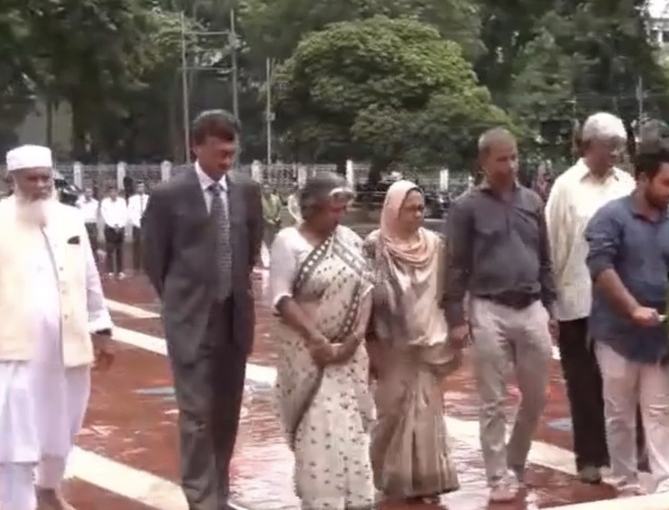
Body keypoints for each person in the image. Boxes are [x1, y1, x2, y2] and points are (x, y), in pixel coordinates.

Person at [0, 144, 115, 510]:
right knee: (14, 438)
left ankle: (47, 487)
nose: (42, 185)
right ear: (13, 180)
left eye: (46, 177)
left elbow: (89, 276)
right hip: (13, 350)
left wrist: (101, 328)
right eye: (32, 179)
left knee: (64, 428)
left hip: (66, 345)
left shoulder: (70, 219)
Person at [141, 110, 264, 510]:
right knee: (196, 414)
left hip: (234, 317)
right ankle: (201, 498)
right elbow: (155, 260)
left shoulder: (246, 191)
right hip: (190, 320)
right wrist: (184, 299)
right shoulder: (168, 195)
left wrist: (230, 290)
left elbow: (248, 248)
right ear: (196, 146)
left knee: (227, 413)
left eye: (232, 153)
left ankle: (220, 491)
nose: (227, 160)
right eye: (219, 152)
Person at [441, 127, 555, 503]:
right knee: (491, 399)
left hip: (531, 306)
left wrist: (549, 306)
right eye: (502, 158)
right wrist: (456, 318)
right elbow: (455, 265)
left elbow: (545, 258)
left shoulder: (533, 202)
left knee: (537, 396)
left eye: (514, 157)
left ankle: (515, 460)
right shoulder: (466, 207)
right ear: (484, 161)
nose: (510, 165)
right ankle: (496, 476)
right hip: (488, 308)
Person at [267, 173, 377, 509]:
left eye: (343, 209)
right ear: (310, 209)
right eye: (333, 210)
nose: (339, 217)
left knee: (352, 435)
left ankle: (356, 502)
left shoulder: (348, 240)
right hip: (309, 358)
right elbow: (281, 297)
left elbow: (367, 287)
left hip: (348, 358)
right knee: (321, 435)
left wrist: (355, 337)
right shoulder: (289, 242)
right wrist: (318, 341)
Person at [585, 143, 669, 496]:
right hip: (616, 335)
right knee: (620, 415)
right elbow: (600, 268)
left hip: (659, 337)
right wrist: (631, 309)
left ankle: (668, 486)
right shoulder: (610, 217)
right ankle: (627, 483)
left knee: (660, 412)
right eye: (667, 183)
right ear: (643, 178)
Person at [544, 112, 634, 483]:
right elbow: (552, 244)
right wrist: (551, 301)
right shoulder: (566, 187)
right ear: (589, 145)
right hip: (577, 298)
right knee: (583, 383)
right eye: (608, 146)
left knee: (621, 382)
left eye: (620, 147)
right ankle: (589, 457)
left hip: (619, 301)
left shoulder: (627, 184)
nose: (614, 153)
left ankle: (623, 453)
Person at [365, 180, 459, 502]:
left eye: (421, 208)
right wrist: (370, 346)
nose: (418, 214)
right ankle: (379, 475)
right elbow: (364, 299)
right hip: (390, 346)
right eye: (411, 209)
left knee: (425, 412)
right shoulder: (375, 247)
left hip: (428, 342)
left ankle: (422, 481)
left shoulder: (436, 245)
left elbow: (448, 291)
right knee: (390, 412)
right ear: (393, 210)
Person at [99, 186, 128, 278]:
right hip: (109, 228)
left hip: (120, 228)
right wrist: (113, 225)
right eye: (111, 192)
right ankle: (110, 271)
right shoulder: (105, 202)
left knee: (120, 250)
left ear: (117, 193)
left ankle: (120, 271)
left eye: (115, 192)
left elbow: (125, 214)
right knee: (110, 250)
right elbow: (105, 216)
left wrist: (120, 225)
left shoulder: (122, 202)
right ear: (109, 194)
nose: (113, 194)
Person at [127, 182, 149, 272]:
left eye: (142, 187)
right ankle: (136, 266)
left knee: (146, 246)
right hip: (136, 224)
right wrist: (136, 222)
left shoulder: (148, 198)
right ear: (136, 188)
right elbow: (130, 212)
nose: (141, 188)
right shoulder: (132, 199)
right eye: (139, 187)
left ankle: (146, 266)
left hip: (147, 225)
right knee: (136, 245)